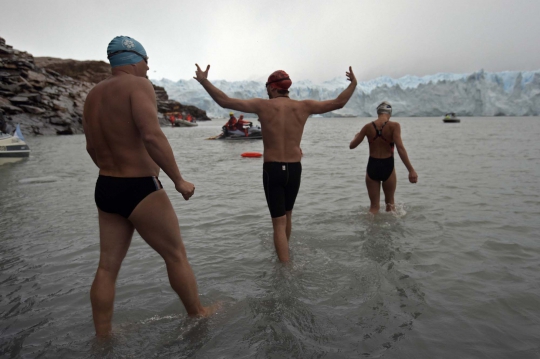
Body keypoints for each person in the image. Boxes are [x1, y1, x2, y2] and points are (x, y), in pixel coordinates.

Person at [83, 36, 217, 337]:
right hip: (140, 187)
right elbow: (151, 135)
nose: (148, 67)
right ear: (133, 60)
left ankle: (103, 336)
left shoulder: (93, 95)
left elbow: (91, 147)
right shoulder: (139, 86)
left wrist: (113, 171)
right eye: (146, 61)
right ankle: (198, 314)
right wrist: (178, 180)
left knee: (107, 267)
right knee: (175, 255)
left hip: (106, 186)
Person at [194, 64, 357, 262]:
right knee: (288, 215)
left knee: (278, 223)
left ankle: (284, 269)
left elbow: (224, 101)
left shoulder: (263, 105)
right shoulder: (304, 106)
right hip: (294, 169)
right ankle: (285, 254)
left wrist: (203, 80)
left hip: (273, 169)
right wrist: (353, 83)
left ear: (271, 88)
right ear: (286, 88)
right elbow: (339, 103)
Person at [349, 101, 418, 214]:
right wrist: (411, 170)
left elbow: (352, 146)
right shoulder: (394, 126)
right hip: (388, 166)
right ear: (389, 113)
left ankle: (371, 230)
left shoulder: (367, 127)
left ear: (378, 112)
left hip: (372, 166)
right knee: (390, 205)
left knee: (373, 207)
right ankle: (390, 231)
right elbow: (400, 148)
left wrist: (356, 136)